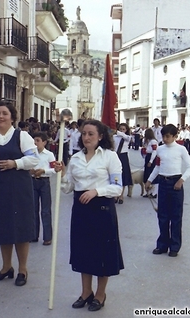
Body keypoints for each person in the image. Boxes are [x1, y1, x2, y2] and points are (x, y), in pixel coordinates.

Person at [55, 119, 124, 312]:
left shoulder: (110, 157)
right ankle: (86, 292)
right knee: (83, 251)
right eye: (84, 133)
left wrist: (96, 191)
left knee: (102, 253)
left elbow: (117, 187)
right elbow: (68, 188)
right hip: (81, 210)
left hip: (102, 208)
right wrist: (61, 173)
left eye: (91, 134)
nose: (86, 137)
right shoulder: (76, 158)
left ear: (100, 136)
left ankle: (100, 294)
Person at [0, 102, 39, 287]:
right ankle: (6, 267)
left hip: (19, 188)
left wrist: (15, 163)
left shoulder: (22, 136)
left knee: (20, 227)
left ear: (12, 117)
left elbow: (34, 159)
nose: (0, 116)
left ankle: (22, 269)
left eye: (4, 113)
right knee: (3, 227)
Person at [146, 124, 190, 257]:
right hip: (163, 182)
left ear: (174, 136)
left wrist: (181, 180)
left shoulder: (181, 149)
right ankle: (162, 245)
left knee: (176, 216)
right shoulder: (160, 149)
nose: (165, 139)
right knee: (162, 216)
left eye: (168, 136)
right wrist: (150, 180)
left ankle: (174, 246)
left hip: (176, 183)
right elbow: (157, 166)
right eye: (163, 136)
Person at [30, 132, 56, 245]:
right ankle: (34, 235)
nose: (35, 143)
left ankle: (47, 237)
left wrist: (44, 171)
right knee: (33, 209)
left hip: (44, 182)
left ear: (44, 142)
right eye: (34, 140)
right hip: (32, 181)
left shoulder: (49, 155)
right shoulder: (30, 153)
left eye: (38, 140)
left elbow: (54, 169)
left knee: (45, 210)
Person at [113, 123, 133, 204]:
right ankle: (115, 195)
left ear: (126, 130)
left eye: (123, 129)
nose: (121, 131)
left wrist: (118, 132)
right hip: (115, 156)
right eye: (120, 129)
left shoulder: (128, 137)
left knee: (124, 176)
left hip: (123, 156)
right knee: (115, 175)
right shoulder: (115, 137)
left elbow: (126, 137)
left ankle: (121, 195)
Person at [141, 128, 159, 198]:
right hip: (148, 156)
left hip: (152, 157)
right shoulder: (147, 141)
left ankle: (154, 192)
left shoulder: (153, 141)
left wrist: (151, 161)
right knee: (147, 174)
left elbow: (154, 151)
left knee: (153, 175)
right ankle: (149, 191)